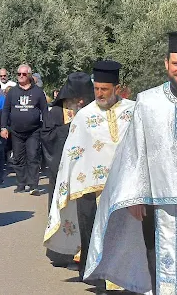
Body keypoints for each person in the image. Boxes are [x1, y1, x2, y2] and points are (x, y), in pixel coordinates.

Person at [85, 31, 177, 294]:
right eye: (176, 64)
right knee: (157, 271)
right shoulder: (148, 102)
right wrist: (134, 196)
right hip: (156, 203)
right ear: (166, 64)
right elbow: (134, 151)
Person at [44, 63, 135, 286]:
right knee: (93, 233)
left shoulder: (132, 111)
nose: (100, 94)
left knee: (124, 235)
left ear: (117, 87)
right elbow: (72, 153)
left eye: (105, 89)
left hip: (125, 188)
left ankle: (123, 279)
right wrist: (66, 184)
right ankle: (99, 280)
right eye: (97, 89)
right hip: (90, 190)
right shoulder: (84, 116)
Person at [41, 72, 94, 210]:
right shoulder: (57, 112)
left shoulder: (95, 112)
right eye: (77, 98)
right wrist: (72, 127)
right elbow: (48, 137)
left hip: (88, 172)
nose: (81, 102)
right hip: (63, 170)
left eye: (85, 98)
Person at [0, 64, 48, 195]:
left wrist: (46, 128)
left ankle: (33, 185)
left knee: (33, 156)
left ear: (29, 76)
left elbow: (45, 110)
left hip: (33, 131)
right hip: (16, 131)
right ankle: (21, 183)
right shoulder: (12, 92)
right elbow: (5, 110)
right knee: (18, 158)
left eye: (24, 74)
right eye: (19, 74)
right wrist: (3, 127)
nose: (21, 76)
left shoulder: (37, 92)